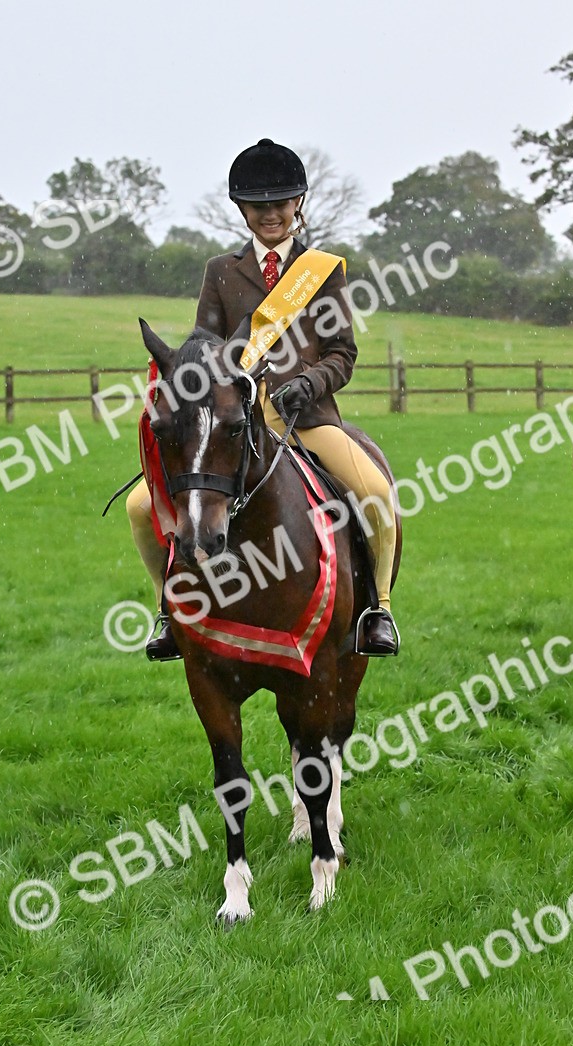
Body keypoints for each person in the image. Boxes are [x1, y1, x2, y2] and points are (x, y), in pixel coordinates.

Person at [127, 138, 400, 660]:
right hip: (235, 420)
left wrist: (310, 384)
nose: (269, 215)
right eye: (258, 206)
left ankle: (376, 609)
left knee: (376, 495)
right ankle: (168, 608)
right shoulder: (220, 271)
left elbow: (342, 353)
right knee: (142, 507)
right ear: (242, 211)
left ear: (298, 204)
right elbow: (202, 347)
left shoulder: (323, 271)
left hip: (307, 418)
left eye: (279, 204)